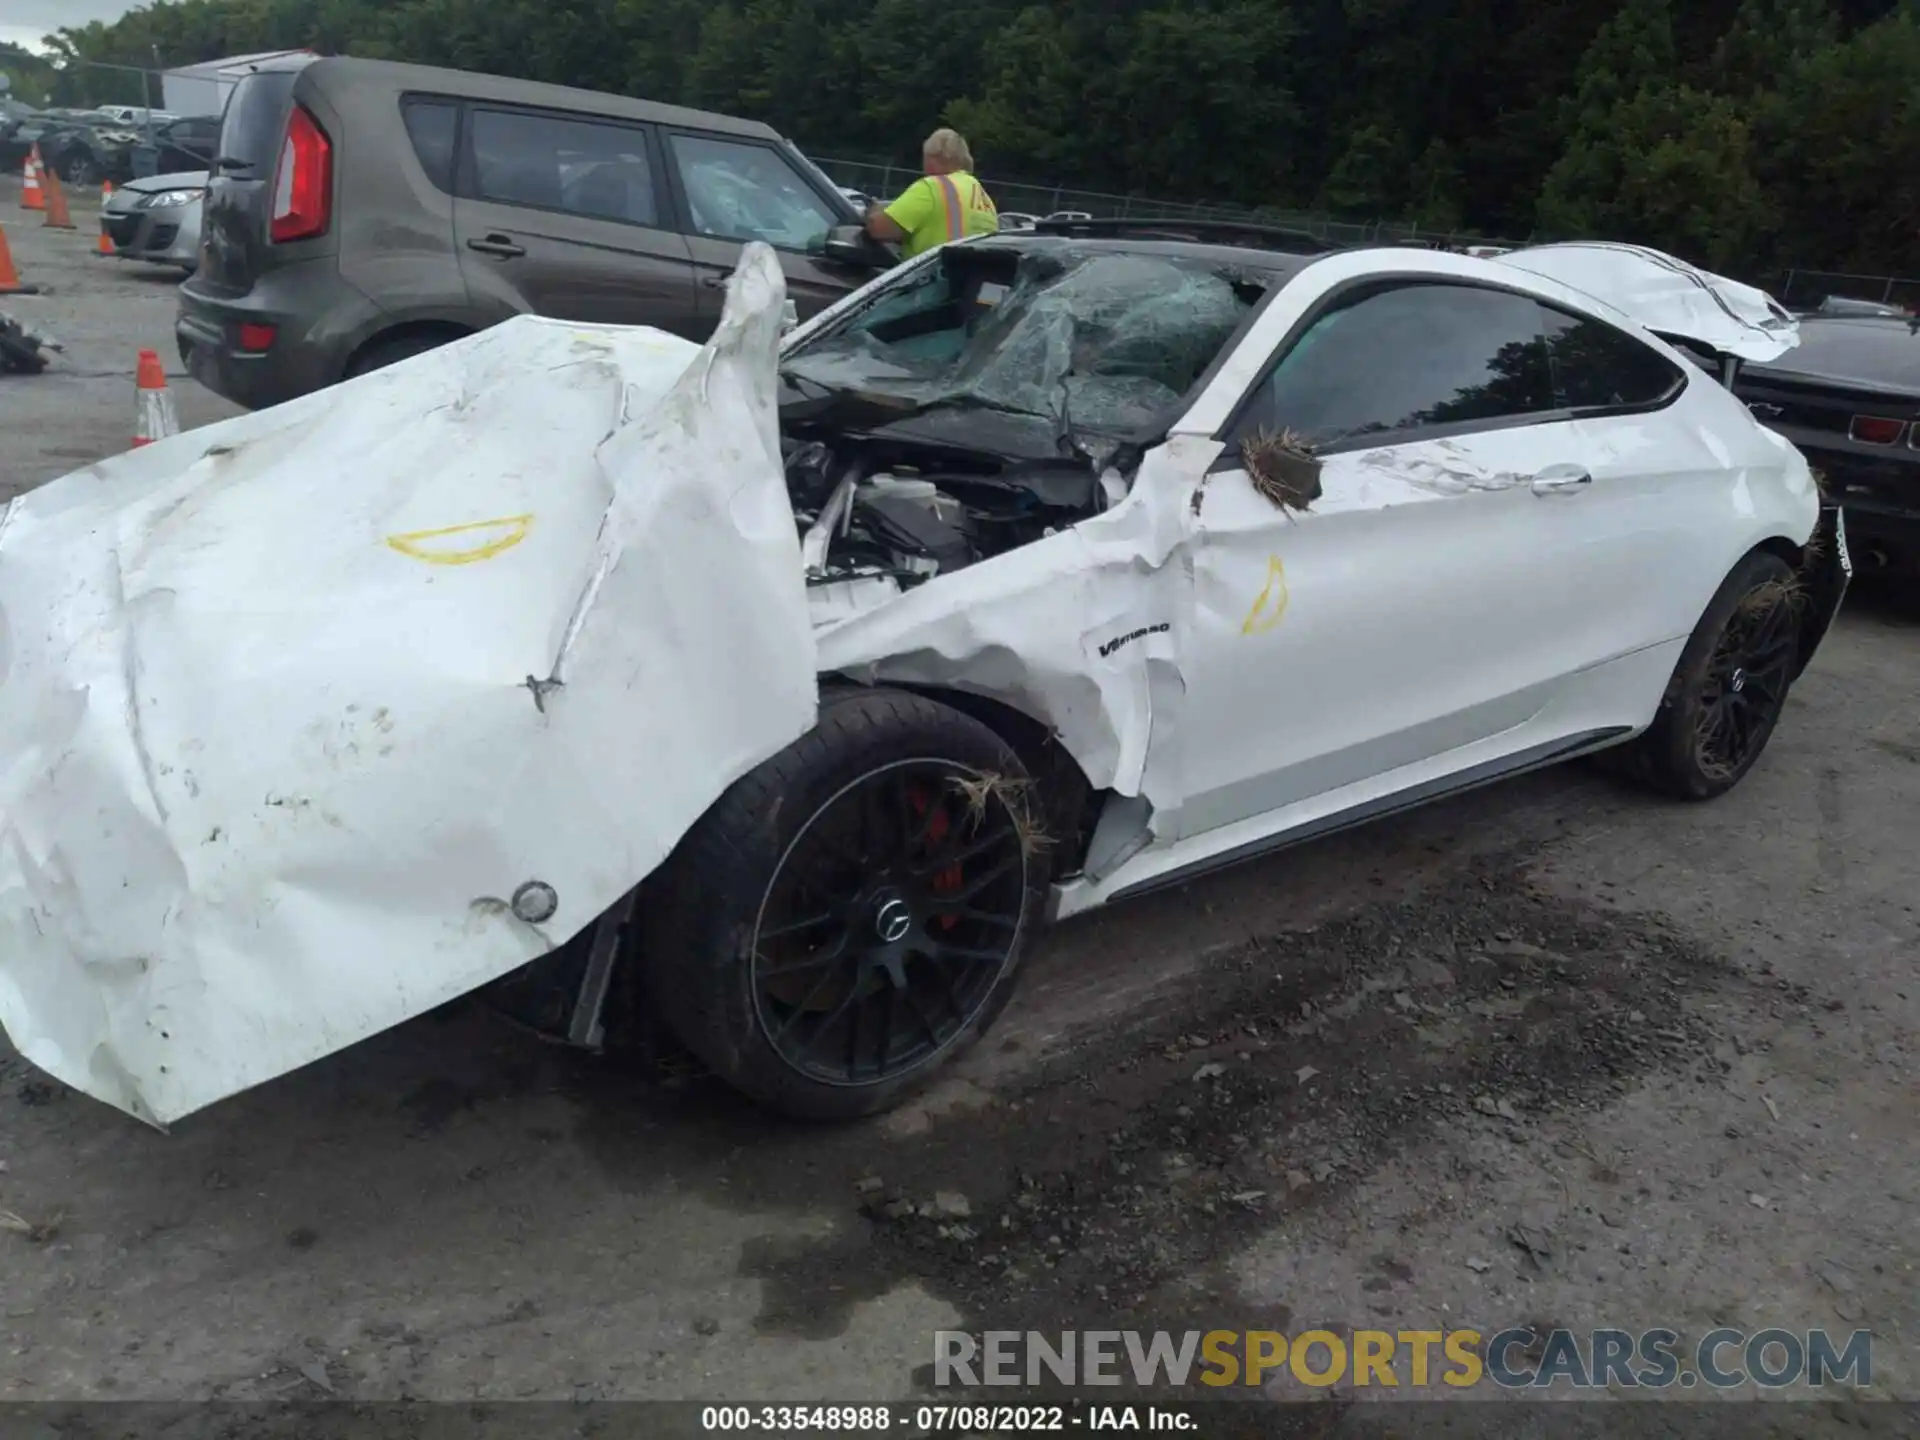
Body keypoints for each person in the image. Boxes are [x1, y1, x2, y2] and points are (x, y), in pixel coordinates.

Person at [865, 128, 998, 259]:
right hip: (970, 275)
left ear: (932, 156)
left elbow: (879, 229)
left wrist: (873, 210)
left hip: (936, 275)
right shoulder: (979, 192)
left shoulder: (933, 186)